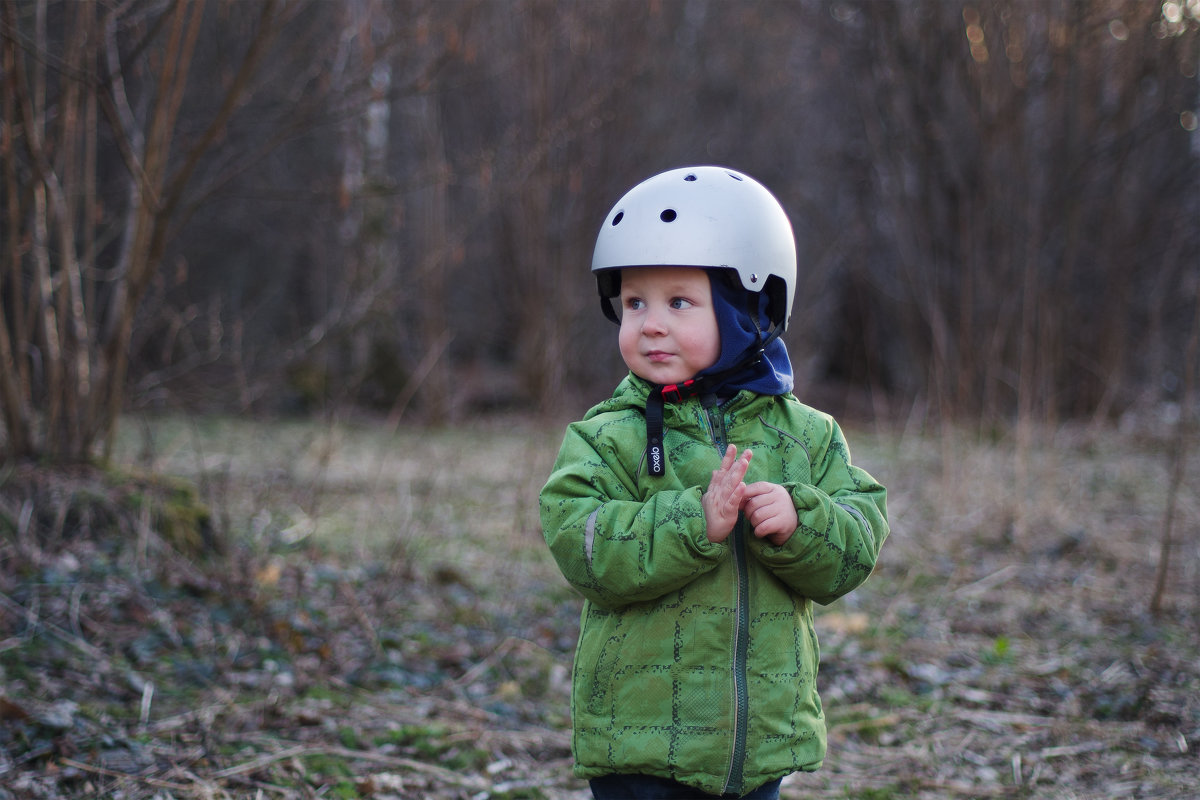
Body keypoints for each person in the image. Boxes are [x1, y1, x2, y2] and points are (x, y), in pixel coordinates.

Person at [539, 166, 889, 799]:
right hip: (640, 744)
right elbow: (581, 544)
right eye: (634, 302)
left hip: (757, 748)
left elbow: (861, 536)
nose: (648, 322)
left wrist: (802, 522)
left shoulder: (806, 436)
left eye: (679, 302)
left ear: (748, 310)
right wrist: (691, 524)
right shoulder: (605, 437)